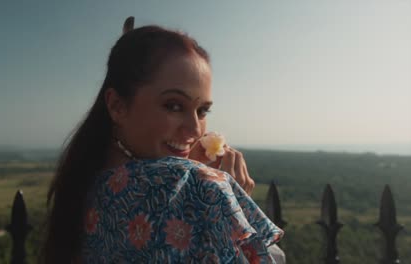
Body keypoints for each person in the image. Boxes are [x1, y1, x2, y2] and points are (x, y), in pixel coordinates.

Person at [40, 17, 283, 264]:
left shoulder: (85, 183)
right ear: (117, 105)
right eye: (174, 105)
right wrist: (225, 199)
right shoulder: (198, 186)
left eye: (202, 111)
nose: (195, 128)